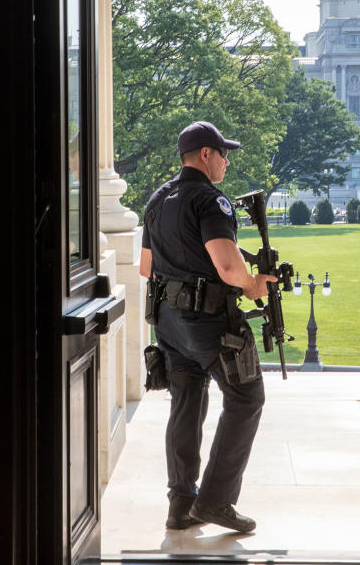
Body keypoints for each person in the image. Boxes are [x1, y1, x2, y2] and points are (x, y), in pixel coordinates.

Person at [139, 121, 276, 534]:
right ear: (204, 155)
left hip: (168, 324)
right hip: (208, 323)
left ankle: (181, 505)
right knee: (246, 397)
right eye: (222, 153)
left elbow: (146, 267)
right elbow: (229, 266)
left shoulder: (158, 198)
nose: (227, 161)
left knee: (186, 403)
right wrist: (254, 285)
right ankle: (215, 502)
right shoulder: (210, 200)